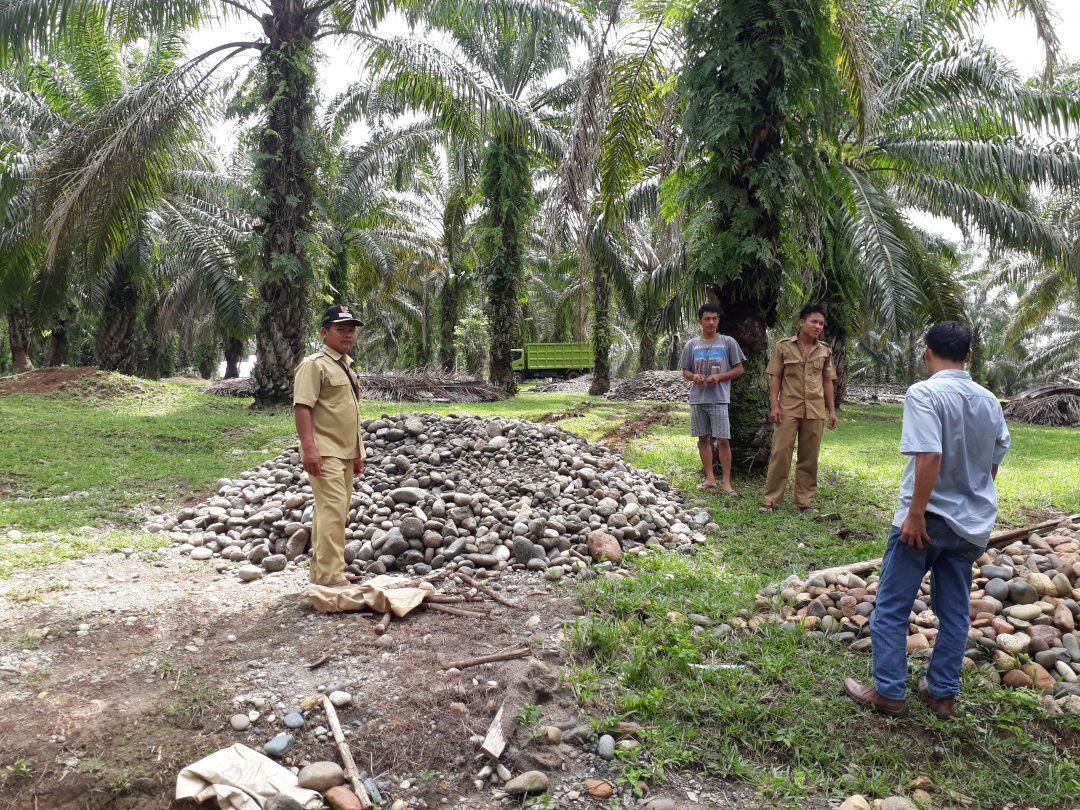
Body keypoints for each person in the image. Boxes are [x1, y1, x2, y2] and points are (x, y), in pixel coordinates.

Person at [844, 321, 1010, 718]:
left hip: (927, 519)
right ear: (969, 355)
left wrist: (916, 513)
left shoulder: (924, 393)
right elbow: (993, 461)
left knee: (892, 607)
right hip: (971, 526)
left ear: (926, 351)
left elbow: (929, 455)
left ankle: (888, 692)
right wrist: (970, 497)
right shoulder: (989, 400)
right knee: (953, 612)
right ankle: (942, 694)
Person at [293, 305, 367, 587]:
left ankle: (326, 571)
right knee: (333, 511)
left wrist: (358, 453)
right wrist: (309, 449)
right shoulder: (314, 364)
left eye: (351, 330)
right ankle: (330, 576)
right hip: (324, 451)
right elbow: (302, 407)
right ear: (325, 333)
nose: (348, 334)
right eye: (341, 329)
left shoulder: (345, 365)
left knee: (334, 511)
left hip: (344, 452)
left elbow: (349, 412)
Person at [760, 303, 837, 513]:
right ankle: (771, 500)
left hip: (815, 410)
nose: (818, 326)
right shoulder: (784, 347)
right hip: (788, 409)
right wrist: (774, 406)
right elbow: (776, 377)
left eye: (821, 323)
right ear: (802, 322)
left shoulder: (825, 351)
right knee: (780, 454)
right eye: (814, 321)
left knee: (809, 457)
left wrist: (831, 411)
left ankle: (804, 501)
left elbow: (828, 381)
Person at [680, 303, 745, 494]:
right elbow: (685, 370)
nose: (711, 322)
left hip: (719, 398)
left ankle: (726, 482)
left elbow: (739, 368)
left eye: (714, 318)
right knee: (703, 439)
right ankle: (710, 479)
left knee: (723, 440)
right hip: (698, 399)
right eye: (707, 318)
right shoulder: (692, 344)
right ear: (700, 321)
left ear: (718, 320)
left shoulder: (728, 342)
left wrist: (719, 377)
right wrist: (694, 377)